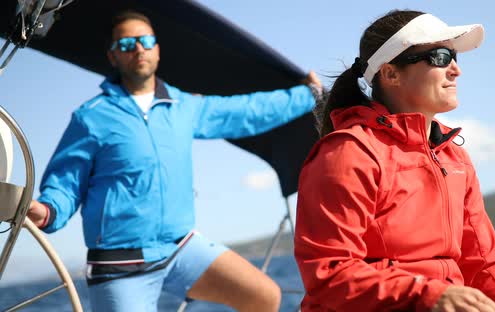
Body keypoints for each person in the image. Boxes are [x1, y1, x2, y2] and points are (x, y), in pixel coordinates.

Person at [25, 10, 322, 312]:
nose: (138, 48)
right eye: (127, 44)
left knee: (263, 296)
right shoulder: (91, 117)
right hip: (120, 264)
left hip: (180, 248)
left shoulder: (181, 106)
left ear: (156, 49)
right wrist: (47, 210)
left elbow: (246, 111)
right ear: (113, 57)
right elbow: (66, 183)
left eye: (145, 41)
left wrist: (307, 95)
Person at [294, 9, 495, 312]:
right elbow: (329, 274)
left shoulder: (456, 159)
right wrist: (429, 295)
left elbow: (482, 265)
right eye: (440, 57)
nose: (455, 70)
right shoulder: (349, 153)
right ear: (390, 73)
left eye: (456, 57)